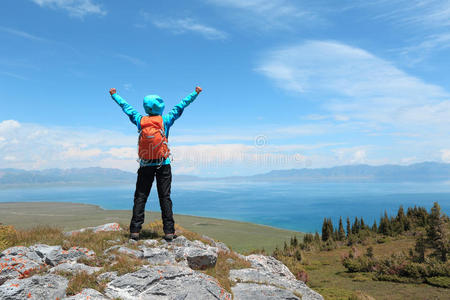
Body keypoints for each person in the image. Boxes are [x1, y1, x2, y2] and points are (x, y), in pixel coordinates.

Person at [108, 86, 203, 241]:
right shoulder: (165, 120)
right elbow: (181, 105)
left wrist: (114, 95)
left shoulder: (140, 120)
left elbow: (126, 107)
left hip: (145, 165)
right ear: (161, 107)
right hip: (163, 164)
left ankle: (135, 231)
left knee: (140, 197)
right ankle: (169, 232)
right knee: (165, 197)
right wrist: (195, 93)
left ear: (146, 107)